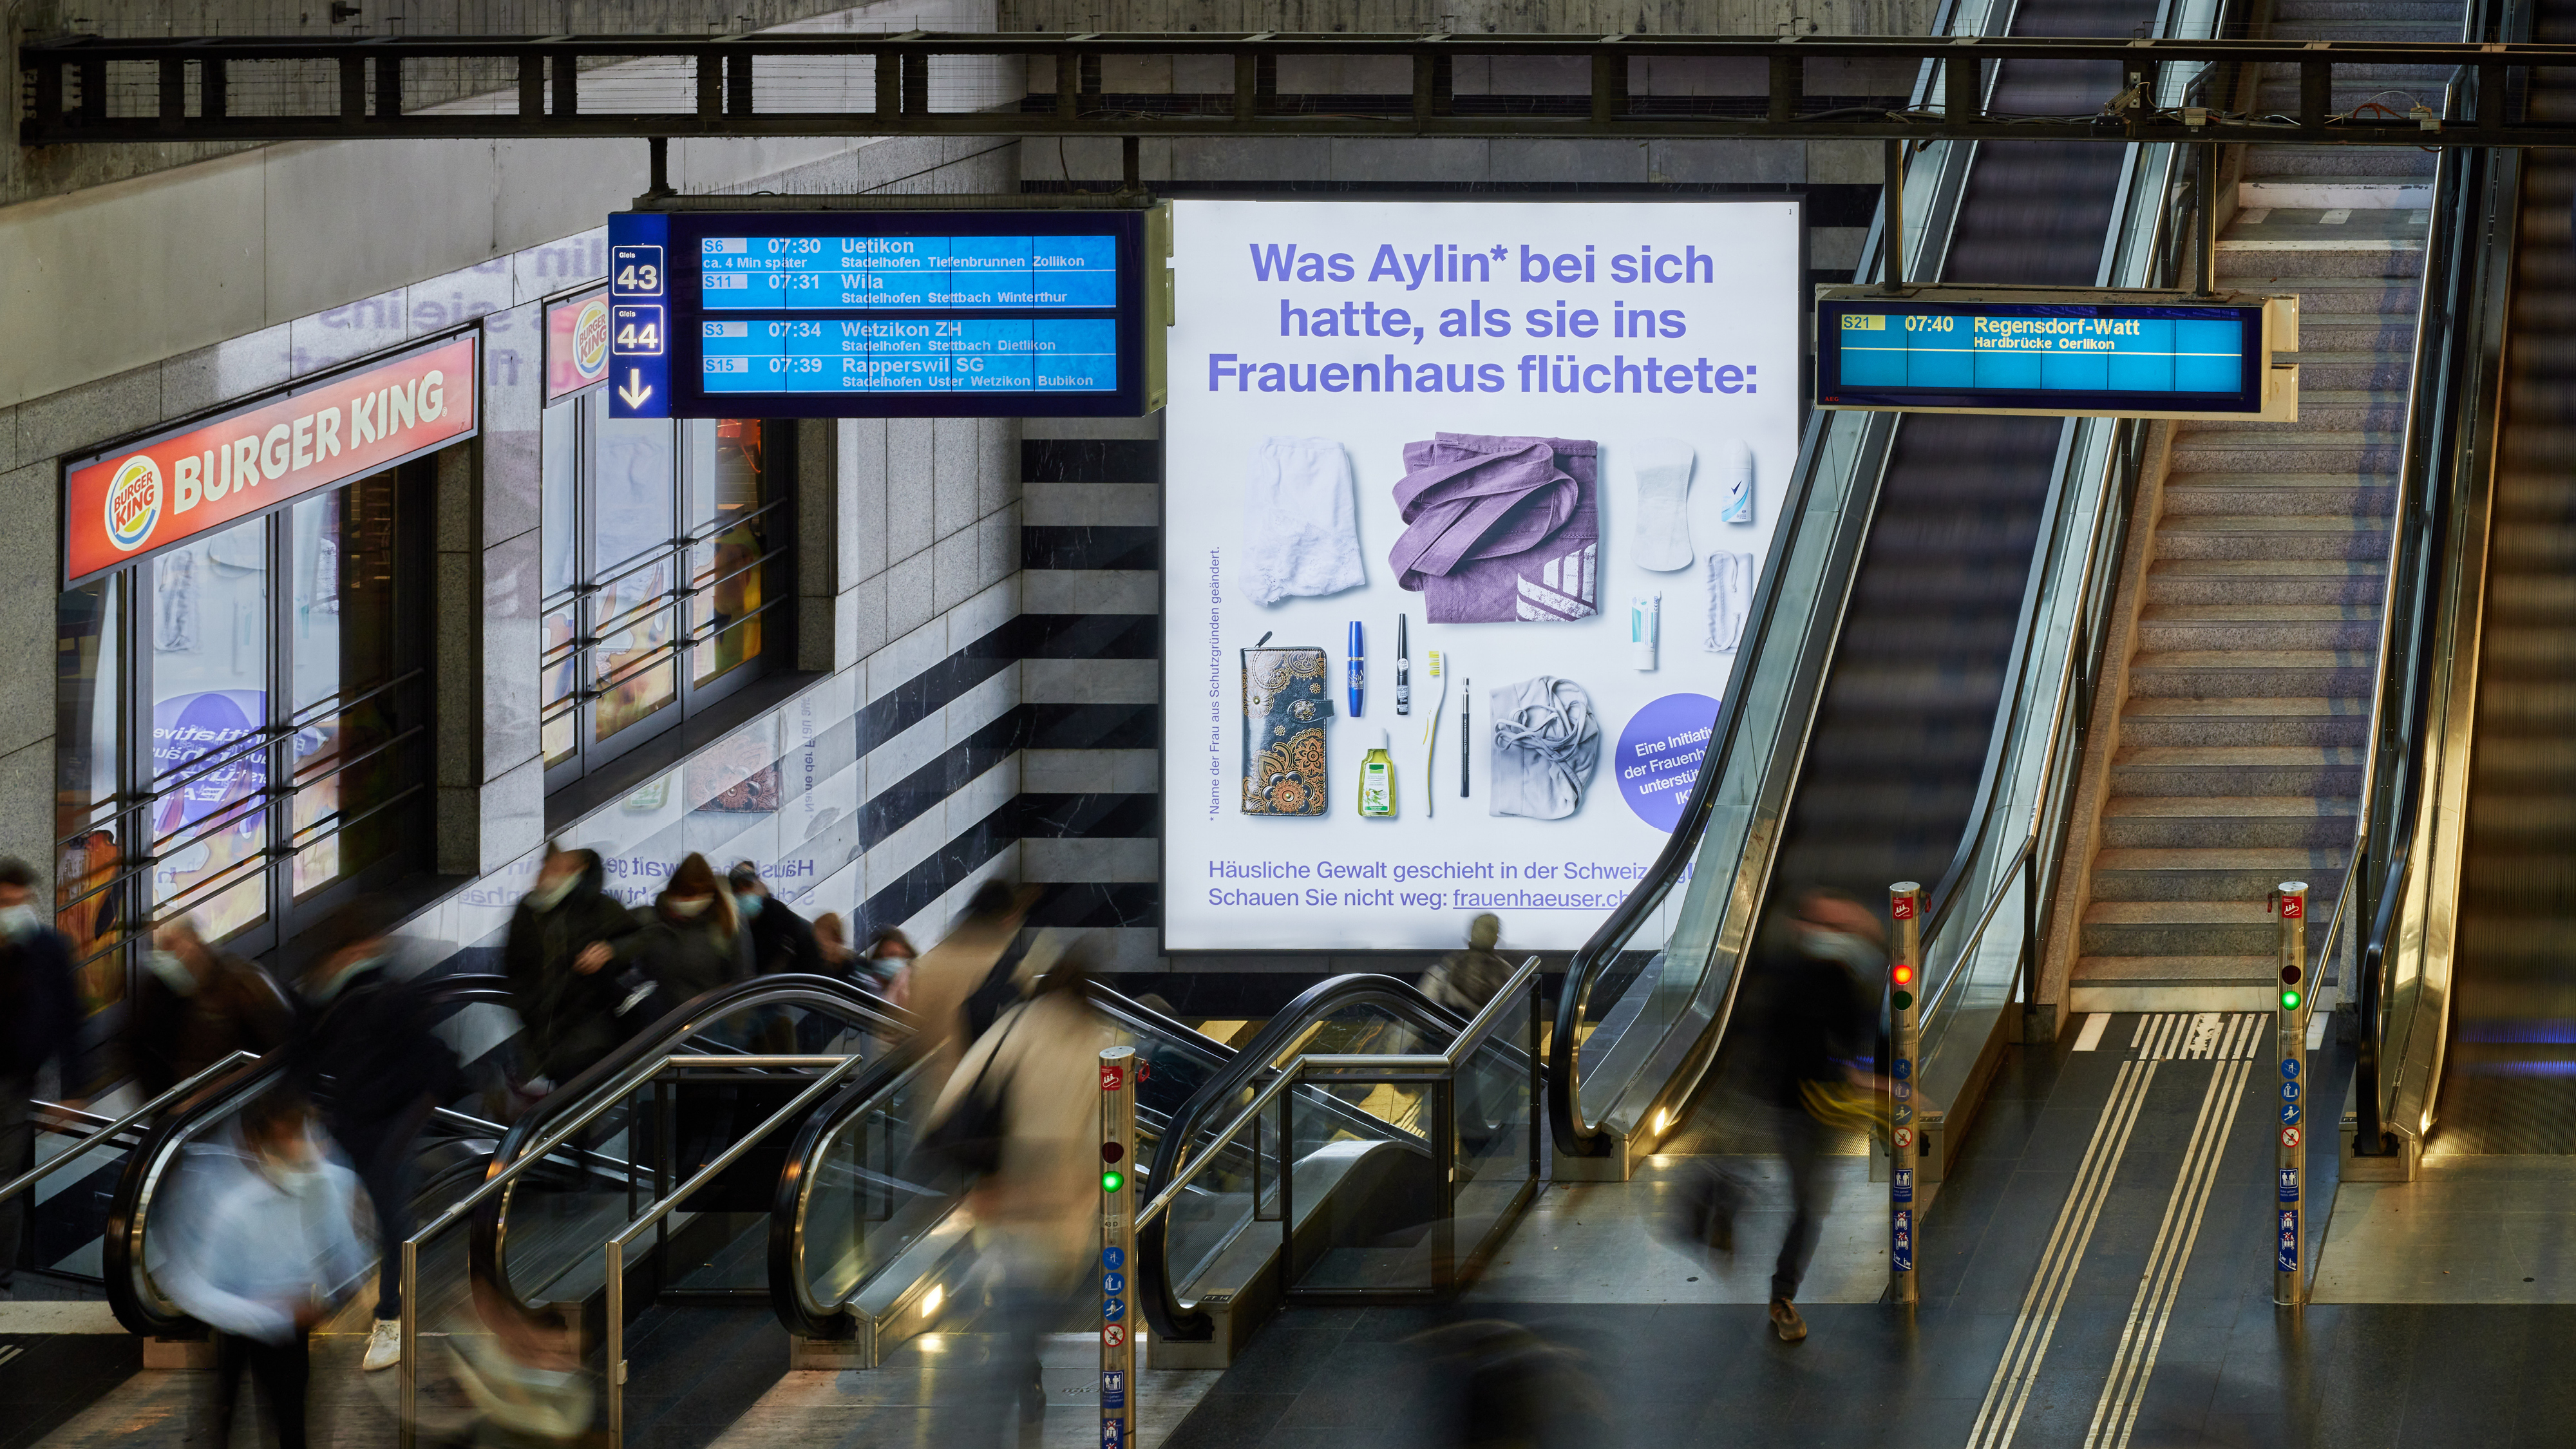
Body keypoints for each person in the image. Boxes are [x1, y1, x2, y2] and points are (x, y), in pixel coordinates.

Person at [920, 929, 1114, 1447]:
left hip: (1000, 1209)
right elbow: (1102, 1149)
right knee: (1013, 1343)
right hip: (1058, 1226)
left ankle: (985, 1418)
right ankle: (994, 1414)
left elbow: (953, 1102)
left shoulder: (1015, 1026)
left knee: (999, 1340)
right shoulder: (1101, 1046)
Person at [283, 896, 462, 1372]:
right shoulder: (317, 999)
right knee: (343, 1216)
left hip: (390, 1124)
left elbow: (437, 1062)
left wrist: (414, 1115)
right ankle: (345, 1304)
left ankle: (390, 1318)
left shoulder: (388, 997)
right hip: (344, 1123)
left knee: (389, 1220)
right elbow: (298, 1062)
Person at [148, 1090, 368, 1449]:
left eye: (303, 1136)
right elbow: (193, 1285)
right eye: (286, 1142)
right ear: (261, 1148)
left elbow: (344, 1247)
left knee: (290, 1419)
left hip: (290, 1321)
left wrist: (343, 1288)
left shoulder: (325, 1184)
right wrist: (271, 1311)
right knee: (228, 1393)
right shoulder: (233, 1207)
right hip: (242, 1309)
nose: (300, 1150)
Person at [1725, 887, 1884, 1344]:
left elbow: (1854, 1043)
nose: (1837, 935)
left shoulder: (1841, 976)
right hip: (1794, 1104)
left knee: (1810, 1201)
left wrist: (1860, 1076)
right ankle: (1782, 1295)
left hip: (1819, 1104)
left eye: (1842, 927)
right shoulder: (1785, 973)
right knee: (1808, 1202)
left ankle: (1780, 1287)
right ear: (1802, 927)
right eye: (1828, 926)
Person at [502, 845, 641, 1095]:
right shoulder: (529, 910)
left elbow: (641, 937)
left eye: (555, 867)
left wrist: (611, 950)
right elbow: (515, 969)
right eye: (545, 866)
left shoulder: (600, 908)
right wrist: (531, 1012)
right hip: (543, 1036)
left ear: (577, 871)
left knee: (573, 1111)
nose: (545, 874)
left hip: (587, 1036)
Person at [0, 859, 77, 1298]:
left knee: (6, 1187)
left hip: (14, 1083)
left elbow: (70, 1019)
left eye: (19, 901)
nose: (13, 910)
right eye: (4, 903)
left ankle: (2, 1281)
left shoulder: (47, 949)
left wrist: (73, 1091)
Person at [131, 916, 293, 1099]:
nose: (172, 958)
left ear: (194, 942)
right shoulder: (182, 996)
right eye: (165, 949)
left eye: (175, 947)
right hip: (208, 1100)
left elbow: (285, 1039)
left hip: (244, 1097)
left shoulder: (242, 982)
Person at [898, 881, 1032, 1095]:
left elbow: (903, 1036)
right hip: (981, 1100)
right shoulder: (1007, 970)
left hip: (933, 1100)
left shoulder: (927, 966)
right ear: (1007, 919)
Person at [626, 854, 753, 1011]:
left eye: (691, 896)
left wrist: (710, 1002)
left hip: (706, 1026)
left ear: (707, 896)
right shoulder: (651, 920)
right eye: (680, 895)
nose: (685, 903)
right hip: (656, 1028)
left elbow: (742, 981)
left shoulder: (724, 926)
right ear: (672, 891)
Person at [729, 862, 824, 979]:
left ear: (760, 886)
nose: (744, 893)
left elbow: (815, 971)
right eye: (737, 891)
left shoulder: (786, 922)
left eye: (748, 885)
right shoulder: (737, 929)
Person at [1421, 913, 1515, 1018]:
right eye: (1479, 929)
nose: (1482, 933)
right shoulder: (1442, 973)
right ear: (1472, 933)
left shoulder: (1510, 976)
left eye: (1490, 929)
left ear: (1496, 937)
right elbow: (1419, 1017)